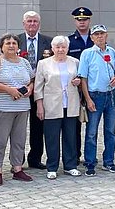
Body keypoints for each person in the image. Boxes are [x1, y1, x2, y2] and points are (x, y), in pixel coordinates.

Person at [0, 33, 36, 186]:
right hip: (1, 108)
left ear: (18, 46)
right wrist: (9, 90)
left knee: (19, 140)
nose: (11, 45)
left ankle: (17, 169)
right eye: (8, 43)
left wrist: (30, 88)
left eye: (14, 43)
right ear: (2, 47)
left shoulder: (24, 62)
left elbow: (31, 79)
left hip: (22, 108)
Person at [34, 35, 81, 179]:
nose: (61, 50)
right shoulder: (43, 63)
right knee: (51, 137)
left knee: (70, 137)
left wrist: (78, 81)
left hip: (71, 104)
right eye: (58, 47)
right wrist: (39, 106)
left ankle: (70, 165)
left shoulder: (75, 62)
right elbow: (38, 87)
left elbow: (82, 79)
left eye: (63, 47)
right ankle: (52, 167)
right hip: (51, 105)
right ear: (52, 48)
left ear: (68, 48)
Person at [79, 24, 115, 176]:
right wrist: (88, 99)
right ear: (92, 37)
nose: (99, 37)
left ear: (106, 35)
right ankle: (90, 162)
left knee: (110, 131)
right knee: (91, 132)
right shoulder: (87, 54)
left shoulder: (112, 53)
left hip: (110, 95)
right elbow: (83, 78)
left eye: (102, 34)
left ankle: (109, 161)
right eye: (96, 34)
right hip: (95, 95)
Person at [18, 11, 53, 170]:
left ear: (39, 24)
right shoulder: (15, 41)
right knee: (17, 127)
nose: (32, 24)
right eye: (29, 21)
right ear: (24, 23)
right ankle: (17, 159)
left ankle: (35, 158)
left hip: (41, 90)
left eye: (35, 21)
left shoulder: (49, 41)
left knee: (38, 126)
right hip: (20, 91)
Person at [68, 7, 94, 164]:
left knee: (92, 125)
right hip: (76, 89)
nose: (82, 21)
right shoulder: (69, 41)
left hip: (94, 88)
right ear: (75, 21)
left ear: (89, 21)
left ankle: (90, 156)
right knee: (75, 124)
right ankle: (75, 156)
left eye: (84, 19)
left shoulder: (96, 39)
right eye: (79, 19)